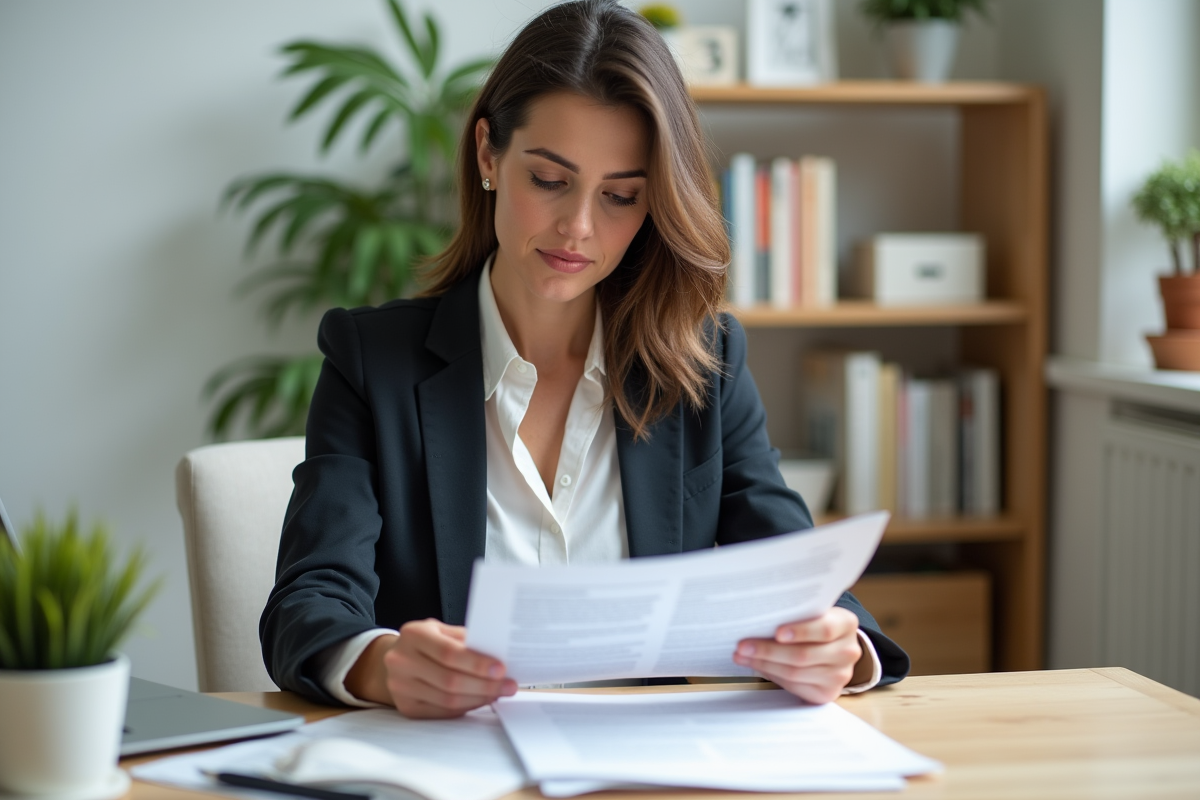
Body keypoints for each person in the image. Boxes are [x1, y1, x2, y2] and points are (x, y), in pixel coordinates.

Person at [260, 0, 909, 719]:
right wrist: (380, 664)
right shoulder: (371, 360)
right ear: (488, 155)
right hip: (451, 768)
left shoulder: (704, 364)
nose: (578, 226)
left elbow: (808, 586)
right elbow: (309, 600)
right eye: (549, 179)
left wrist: (842, 649)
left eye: (621, 196)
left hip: (644, 773)